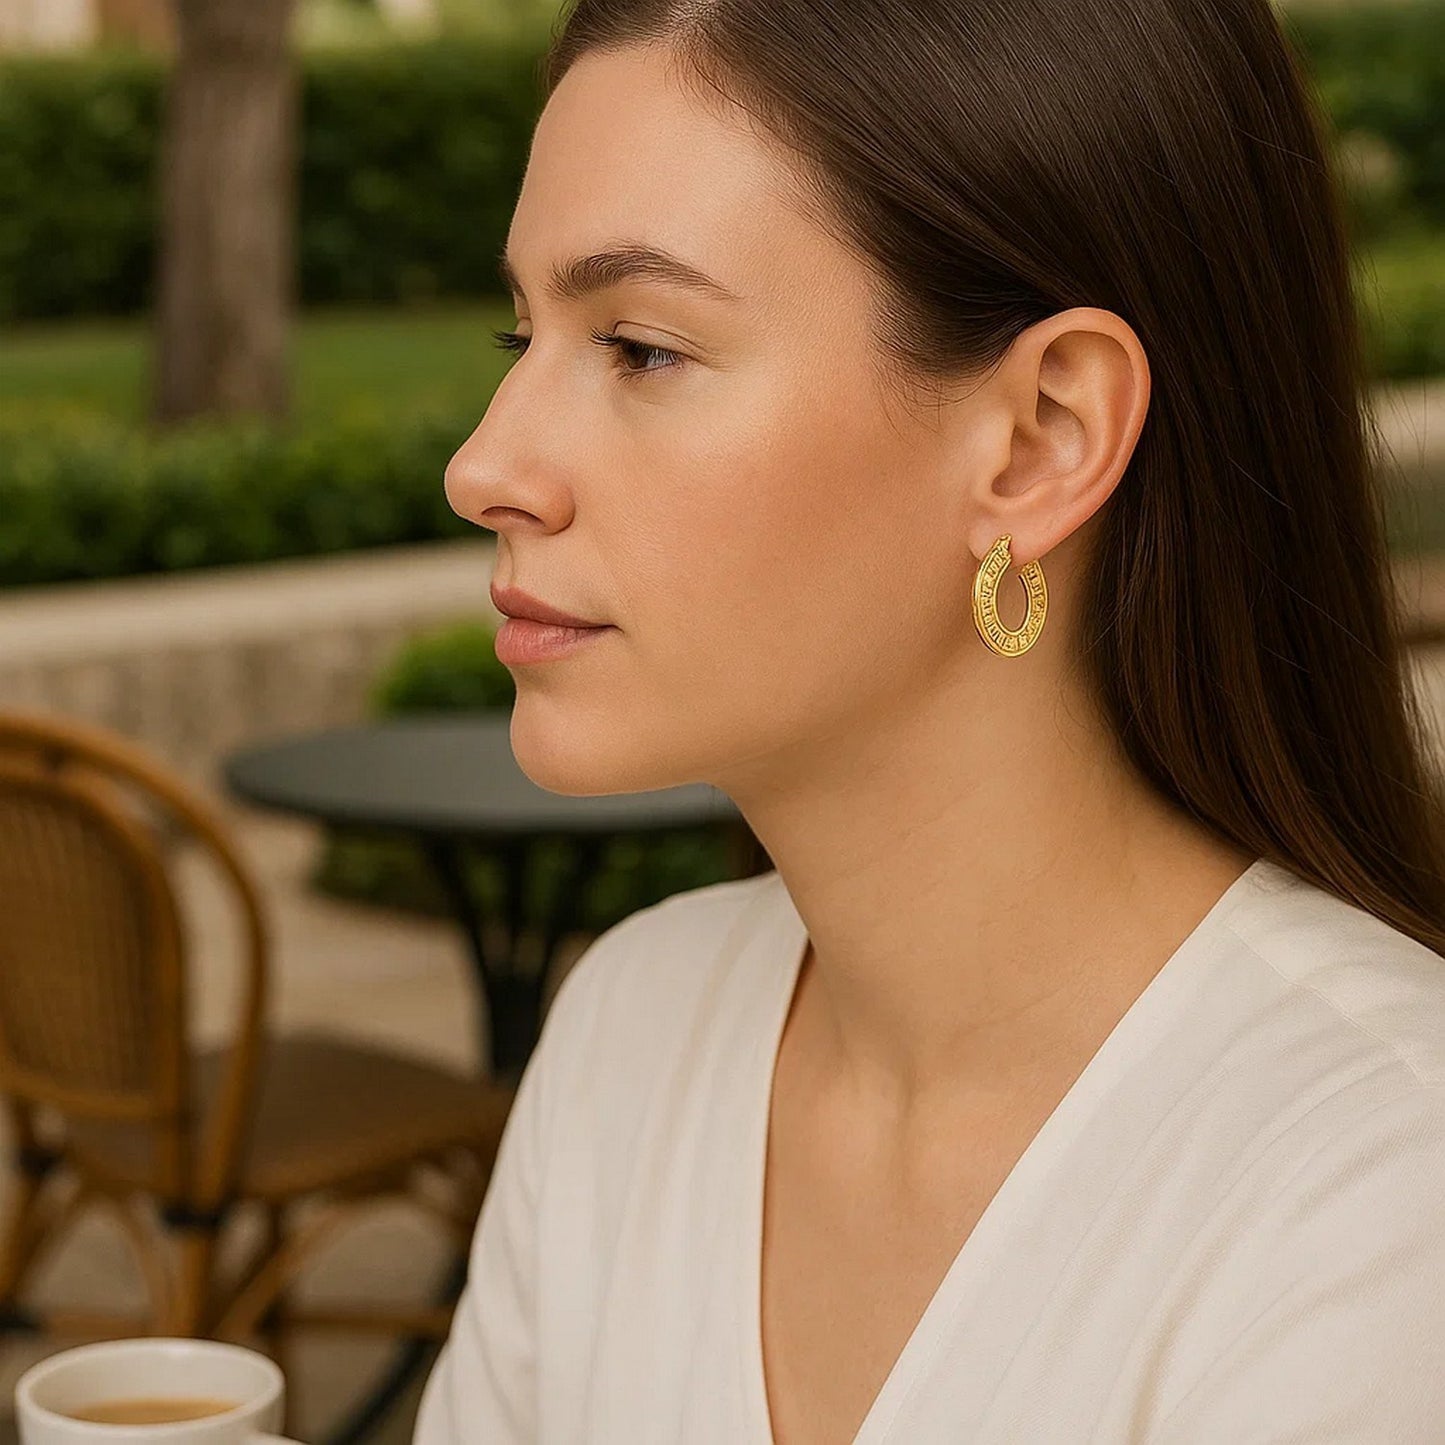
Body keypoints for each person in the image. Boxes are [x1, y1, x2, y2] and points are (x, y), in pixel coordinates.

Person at [415, 0, 1445, 1439]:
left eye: (639, 346)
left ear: (1040, 437)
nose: (487, 465)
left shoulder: (1377, 1189)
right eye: (520, 333)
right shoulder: (625, 1037)